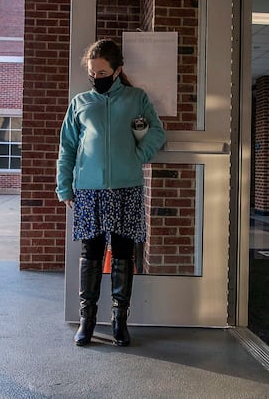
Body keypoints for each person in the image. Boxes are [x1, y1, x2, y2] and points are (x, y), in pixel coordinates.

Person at [56, 39, 166, 347]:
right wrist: (64, 185)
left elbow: (156, 131)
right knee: (90, 255)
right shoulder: (80, 103)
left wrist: (137, 156)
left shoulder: (135, 98)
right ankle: (86, 321)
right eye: (92, 72)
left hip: (126, 189)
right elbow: (67, 147)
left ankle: (120, 321)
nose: (96, 77)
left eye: (103, 72)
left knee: (122, 254)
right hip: (88, 190)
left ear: (118, 70)